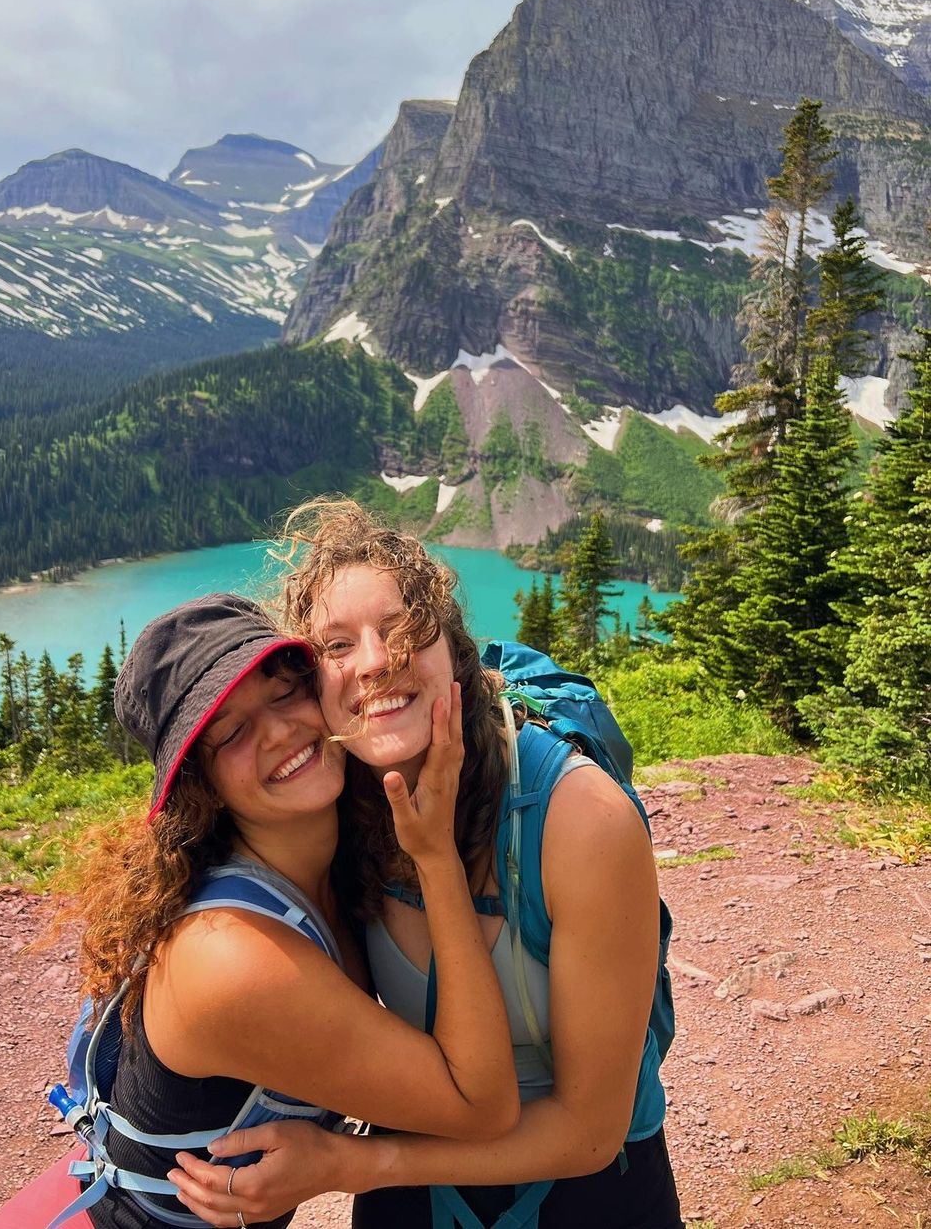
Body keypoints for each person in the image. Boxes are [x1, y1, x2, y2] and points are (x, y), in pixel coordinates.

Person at [169, 504, 682, 1229]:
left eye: (404, 627)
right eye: (337, 646)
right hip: (418, 1179)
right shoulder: (337, 809)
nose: (376, 661)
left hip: (590, 1187)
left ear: (454, 651)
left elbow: (591, 1132)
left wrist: (349, 1163)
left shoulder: (577, 818)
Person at [59, 591, 519, 1229]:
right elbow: (481, 1106)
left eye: (285, 693)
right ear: (201, 783)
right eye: (231, 734)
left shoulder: (334, 845)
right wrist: (435, 857)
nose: (279, 731)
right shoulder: (231, 956)